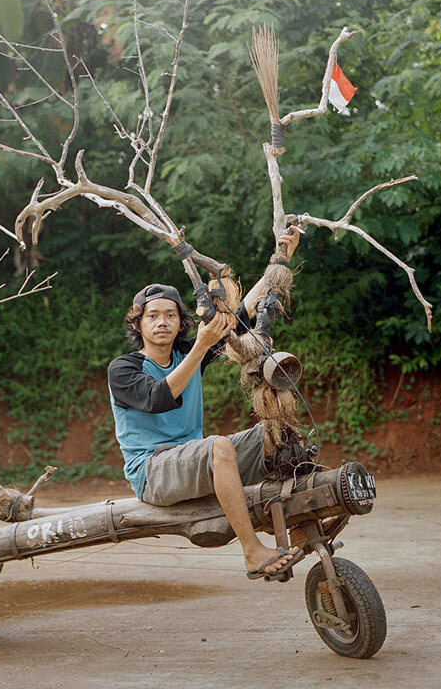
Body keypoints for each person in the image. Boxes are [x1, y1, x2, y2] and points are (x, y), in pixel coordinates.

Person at [107, 228, 303, 579]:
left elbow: (239, 314)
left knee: (277, 433)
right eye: (152, 316)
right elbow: (159, 398)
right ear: (138, 324)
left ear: (182, 321)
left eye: (170, 315)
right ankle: (251, 552)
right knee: (220, 447)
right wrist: (201, 345)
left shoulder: (185, 352)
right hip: (153, 472)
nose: (162, 322)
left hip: (192, 458)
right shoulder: (124, 368)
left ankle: (301, 524)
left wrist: (280, 261)